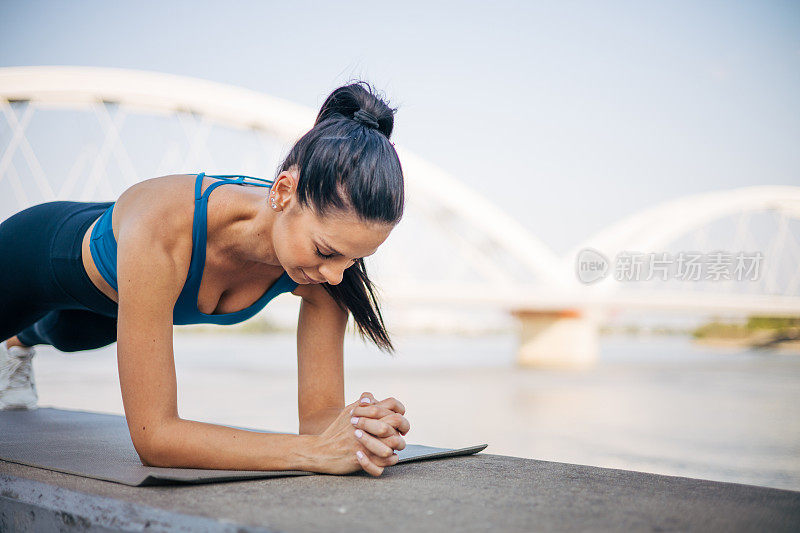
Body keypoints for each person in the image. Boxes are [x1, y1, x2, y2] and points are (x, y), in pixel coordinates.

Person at [0, 81, 410, 477]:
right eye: (326, 252)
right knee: (60, 321)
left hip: (111, 307)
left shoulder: (328, 270)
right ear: (284, 192)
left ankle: (22, 342)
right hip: (40, 255)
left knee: (72, 334)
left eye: (356, 258)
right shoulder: (162, 228)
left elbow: (319, 418)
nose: (338, 276)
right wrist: (311, 454)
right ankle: (15, 340)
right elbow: (155, 439)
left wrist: (359, 429)